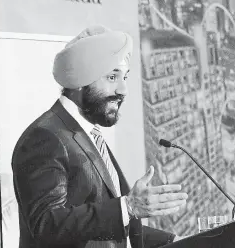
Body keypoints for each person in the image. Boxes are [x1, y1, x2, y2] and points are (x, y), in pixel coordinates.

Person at [11, 25, 188, 248]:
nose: (123, 89)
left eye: (125, 77)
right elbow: (48, 224)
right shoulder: (45, 137)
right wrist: (128, 207)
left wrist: (175, 242)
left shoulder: (88, 134)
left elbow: (106, 231)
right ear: (79, 82)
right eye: (112, 76)